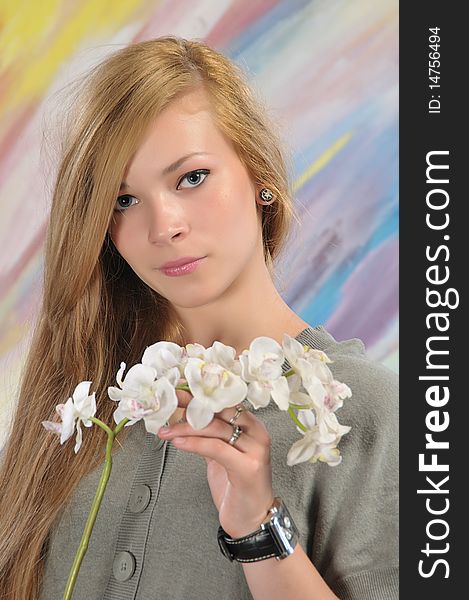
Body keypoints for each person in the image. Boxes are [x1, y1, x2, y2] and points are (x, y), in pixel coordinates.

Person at [0, 36, 398, 600]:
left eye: (191, 177)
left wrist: (259, 529)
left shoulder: (375, 416)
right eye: (123, 200)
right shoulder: (77, 415)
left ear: (260, 175)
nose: (164, 227)